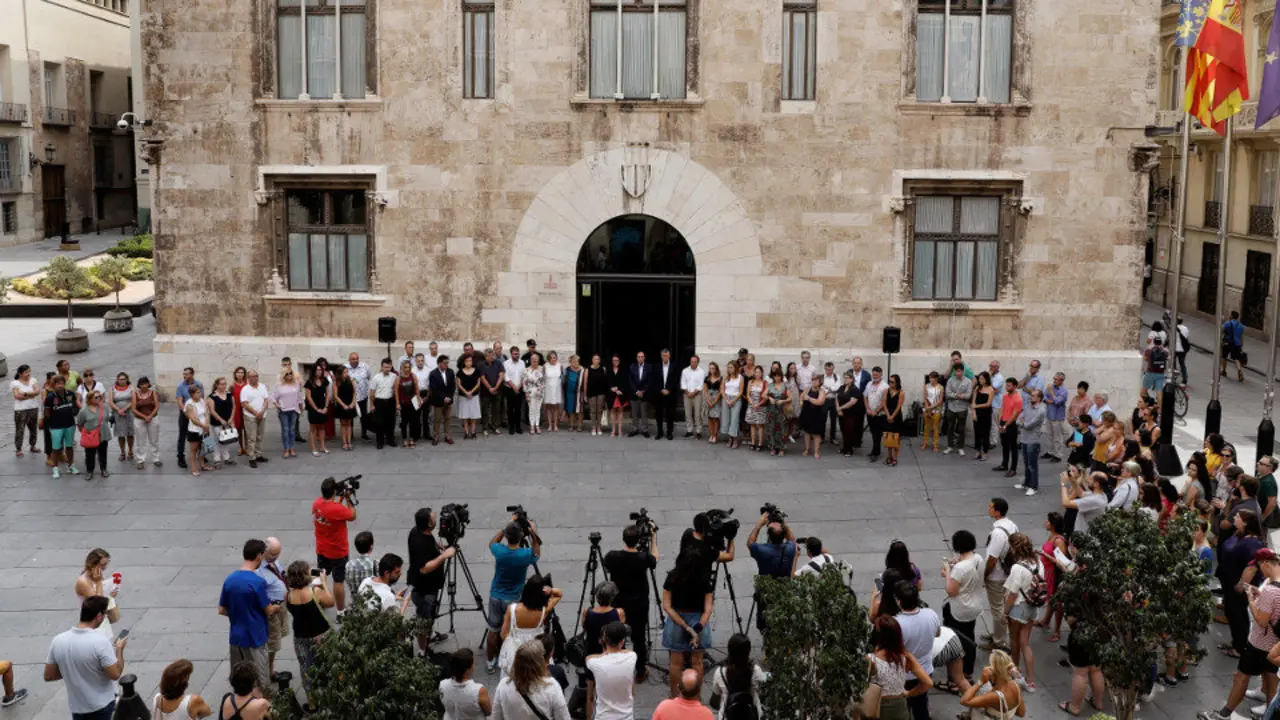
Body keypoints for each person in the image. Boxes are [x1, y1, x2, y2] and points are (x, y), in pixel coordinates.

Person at [1199, 547, 1280, 720]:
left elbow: (1261, 621)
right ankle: (1269, 715)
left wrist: (1251, 598)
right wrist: (1260, 596)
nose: (1260, 571)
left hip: (1259, 643)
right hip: (1275, 643)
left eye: (1259, 567)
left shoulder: (1271, 590)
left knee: (1241, 677)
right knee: (1271, 679)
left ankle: (1224, 714)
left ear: (1266, 563)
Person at [44, 596, 128, 720]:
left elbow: (49, 676)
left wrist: (71, 670)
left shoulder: (58, 640)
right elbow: (115, 674)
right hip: (101, 706)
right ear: (99, 616)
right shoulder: (100, 642)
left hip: (77, 707)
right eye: (105, 614)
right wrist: (119, 649)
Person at [217, 539, 276, 692]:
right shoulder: (257, 582)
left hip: (236, 637)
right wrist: (276, 606)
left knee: (240, 680)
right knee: (260, 680)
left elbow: (222, 610)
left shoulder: (230, 579)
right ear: (259, 556)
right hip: (255, 637)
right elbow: (268, 610)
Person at [486, 516, 542, 673]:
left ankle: (490, 662)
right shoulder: (525, 554)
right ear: (520, 537)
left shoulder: (500, 551)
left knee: (493, 630)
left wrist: (506, 527)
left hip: (496, 595)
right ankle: (509, 658)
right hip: (513, 600)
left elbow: (492, 543)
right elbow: (537, 552)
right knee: (511, 632)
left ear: (508, 537)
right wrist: (533, 532)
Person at [604, 523, 660, 681]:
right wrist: (653, 538)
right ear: (639, 540)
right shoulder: (643, 557)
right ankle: (640, 670)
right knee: (639, 638)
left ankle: (617, 666)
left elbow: (606, 566)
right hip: (639, 604)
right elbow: (654, 558)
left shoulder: (612, 556)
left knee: (616, 634)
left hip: (618, 604)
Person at [661, 549, 713, 699]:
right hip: (698, 619)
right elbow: (708, 608)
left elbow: (667, 606)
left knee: (676, 662)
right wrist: (699, 626)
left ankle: (674, 696)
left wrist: (685, 626)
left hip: (677, 619)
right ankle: (696, 696)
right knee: (697, 661)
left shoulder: (672, 577)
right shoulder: (704, 580)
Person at [284, 560, 334, 706]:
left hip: (300, 636)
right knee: (327, 665)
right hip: (321, 635)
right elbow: (330, 602)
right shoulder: (314, 592)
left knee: (306, 668)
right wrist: (323, 582)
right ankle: (330, 698)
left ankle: (312, 703)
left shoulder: (287, 595)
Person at [1218, 510, 1266, 657]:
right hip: (1229, 581)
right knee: (1231, 613)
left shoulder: (1253, 543)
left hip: (1238, 586)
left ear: (1245, 522)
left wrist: (1241, 585)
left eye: (1237, 517)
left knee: (1238, 615)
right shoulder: (1239, 534)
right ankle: (1235, 642)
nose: (1235, 518)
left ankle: (1240, 647)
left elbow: (1251, 567)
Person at [867, 615, 933, 720]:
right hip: (900, 705)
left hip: (878, 705)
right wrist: (909, 693)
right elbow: (928, 683)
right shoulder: (905, 657)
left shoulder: (871, 659)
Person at [941, 530, 983, 690]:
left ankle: (954, 679)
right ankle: (968, 671)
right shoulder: (978, 559)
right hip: (975, 606)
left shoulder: (960, 568)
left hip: (959, 609)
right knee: (969, 639)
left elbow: (951, 591)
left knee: (955, 643)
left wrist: (947, 573)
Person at [408, 507, 456, 646]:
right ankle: (423, 650)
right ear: (429, 524)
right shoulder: (420, 542)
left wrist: (439, 548)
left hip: (428, 585)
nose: (438, 519)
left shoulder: (417, 531)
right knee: (423, 619)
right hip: (424, 589)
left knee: (428, 615)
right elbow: (424, 568)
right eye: (434, 517)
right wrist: (444, 556)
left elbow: (430, 544)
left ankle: (430, 634)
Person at [894, 582, 941, 720]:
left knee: (904, 708)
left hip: (905, 674)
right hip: (926, 670)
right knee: (921, 706)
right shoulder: (931, 614)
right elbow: (937, 634)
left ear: (900, 601)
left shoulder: (896, 623)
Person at [1002, 532, 1043, 692]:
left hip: (1018, 608)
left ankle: (1015, 673)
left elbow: (1012, 594)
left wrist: (1005, 613)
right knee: (1025, 643)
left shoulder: (1017, 568)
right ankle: (1031, 681)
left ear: (1014, 548)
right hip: (1032, 606)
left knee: (1014, 641)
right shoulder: (1038, 563)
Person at [499, 575, 563, 676]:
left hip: (517, 647)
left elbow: (503, 634)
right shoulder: (544, 610)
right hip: (536, 645)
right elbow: (559, 594)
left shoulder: (512, 609)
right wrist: (550, 590)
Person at [491, 642, 571, 720]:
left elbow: (496, 716)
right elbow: (563, 716)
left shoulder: (504, 685)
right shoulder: (551, 686)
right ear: (540, 663)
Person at [313, 476, 357, 613]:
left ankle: (319, 602)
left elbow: (331, 508)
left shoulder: (317, 504)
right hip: (338, 551)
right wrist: (348, 499)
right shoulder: (337, 509)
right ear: (333, 492)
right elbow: (352, 515)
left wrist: (340, 498)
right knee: (338, 581)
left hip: (321, 548)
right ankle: (341, 611)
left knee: (321, 575)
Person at [747, 510, 796, 632]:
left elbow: (750, 543)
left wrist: (759, 524)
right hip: (784, 590)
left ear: (769, 535)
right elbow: (792, 540)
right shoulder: (790, 549)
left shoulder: (762, 551)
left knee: (765, 622)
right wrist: (782, 523)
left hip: (765, 592)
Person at [981, 498, 1017, 652]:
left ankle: (999, 641)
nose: (988, 508)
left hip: (996, 575)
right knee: (1001, 605)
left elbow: (992, 559)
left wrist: (984, 575)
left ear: (997, 511)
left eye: (990, 507)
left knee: (997, 609)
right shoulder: (1012, 525)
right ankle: (997, 634)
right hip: (1007, 573)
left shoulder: (997, 533)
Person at [585, 621, 636, 720]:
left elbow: (589, 658)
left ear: (603, 640)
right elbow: (628, 651)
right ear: (622, 642)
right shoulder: (632, 657)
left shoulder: (594, 662)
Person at [709, 634, 768, 720]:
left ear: (729, 650)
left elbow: (714, 701)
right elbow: (763, 690)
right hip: (751, 715)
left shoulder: (720, 672)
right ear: (748, 651)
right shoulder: (755, 670)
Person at [256, 537, 289, 680]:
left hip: (281, 606)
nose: (276, 557)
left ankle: (269, 668)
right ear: (264, 551)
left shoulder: (273, 561)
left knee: (278, 638)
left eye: (278, 554)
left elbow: (281, 576)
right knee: (272, 643)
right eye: (273, 554)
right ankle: (267, 671)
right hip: (272, 609)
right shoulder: (258, 570)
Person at [961, 650, 1025, 719]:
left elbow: (964, 701)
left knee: (981, 691)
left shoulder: (994, 696)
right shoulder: (1015, 685)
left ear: (993, 670)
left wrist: (980, 681)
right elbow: (1021, 713)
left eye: (989, 665)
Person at [74, 549, 119, 640]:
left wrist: (111, 593)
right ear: (92, 564)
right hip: (92, 623)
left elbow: (102, 592)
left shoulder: (97, 575)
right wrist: (98, 582)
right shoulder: (83, 582)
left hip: (101, 619)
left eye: (106, 564)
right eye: (102, 565)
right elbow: (98, 603)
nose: (104, 568)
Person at [1036, 513, 1067, 642]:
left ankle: (1057, 631)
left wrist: (1044, 555)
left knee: (1057, 603)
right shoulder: (1052, 537)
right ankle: (1046, 621)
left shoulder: (1058, 540)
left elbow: (1062, 561)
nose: (1045, 522)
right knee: (1051, 598)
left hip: (1055, 574)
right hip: (1048, 573)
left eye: (1048, 521)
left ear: (1053, 524)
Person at [441, 648, 492, 720]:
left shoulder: (442, 685)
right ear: (468, 670)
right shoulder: (479, 691)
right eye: (474, 663)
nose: (475, 665)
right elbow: (488, 712)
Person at [44, 374, 79, 478]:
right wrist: (49, 424)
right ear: (54, 385)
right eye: (57, 383)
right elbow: (47, 412)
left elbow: (74, 407)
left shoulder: (70, 394)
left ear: (64, 384)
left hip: (70, 425)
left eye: (61, 383)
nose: (60, 385)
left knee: (69, 446)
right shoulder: (50, 397)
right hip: (56, 427)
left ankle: (71, 466)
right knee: (56, 448)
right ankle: (55, 468)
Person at [76, 390, 113, 480]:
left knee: (103, 452)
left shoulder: (104, 407)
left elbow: (107, 418)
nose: (99, 398)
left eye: (99, 396)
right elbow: (80, 423)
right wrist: (87, 434)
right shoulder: (84, 410)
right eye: (96, 397)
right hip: (90, 435)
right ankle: (89, 471)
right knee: (89, 454)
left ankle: (103, 469)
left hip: (103, 434)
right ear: (90, 399)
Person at [1015, 389, 1045, 496]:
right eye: (1031, 395)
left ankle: (1033, 487)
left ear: (1039, 398)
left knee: (1032, 465)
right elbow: (1018, 419)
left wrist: (1023, 423)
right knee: (1026, 463)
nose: (1031, 397)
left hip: (1033, 440)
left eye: (1033, 396)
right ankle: (1026, 484)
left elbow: (1029, 425)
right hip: (1024, 438)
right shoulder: (1027, 406)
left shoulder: (1041, 411)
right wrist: (1022, 422)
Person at [173, 368, 204, 470]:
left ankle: (201, 455)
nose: (184, 376)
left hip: (198, 414)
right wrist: (188, 415)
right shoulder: (180, 386)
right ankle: (181, 457)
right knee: (182, 435)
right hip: (185, 414)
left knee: (199, 434)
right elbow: (180, 402)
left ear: (192, 374)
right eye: (184, 374)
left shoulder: (199, 384)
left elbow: (201, 398)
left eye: (186, 374)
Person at [238, 370, 271, 467]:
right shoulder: (245, 389)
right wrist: (256, 413)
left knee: (260, 436)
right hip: (250, 416)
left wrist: (262, 411)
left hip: (262, 415)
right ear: (248, 378)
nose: (255, 378)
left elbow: (266, 400)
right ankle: (252, 458)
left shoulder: (262, 386)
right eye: (252, 376)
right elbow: (244, 403)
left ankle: (259, 454)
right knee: (251, 438)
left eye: (256, 376)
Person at [270, 369, 304, 459]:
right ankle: (286, 449)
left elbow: (299, 397)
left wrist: (301, 407)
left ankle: (292, 448)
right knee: (285, 430)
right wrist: (277, 405)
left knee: (292, 430)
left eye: (290, 373)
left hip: (294, 410)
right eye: (287, 373)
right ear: (283, 375)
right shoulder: (279, 386)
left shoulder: (296, 384)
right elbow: (273, 398)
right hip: (283, 411)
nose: (289, 375)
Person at [994, 378, 1022, 478]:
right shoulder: (1005, 396)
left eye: (1009, 386)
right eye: (1007, 385)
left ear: (1015, 386)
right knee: (1004, 445)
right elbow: (1002, 408)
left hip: (1011, 425)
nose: (1007, 387)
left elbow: (1014, 415)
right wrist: (999, 423)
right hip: (1003, 422)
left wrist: (1005, 425)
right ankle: (1004, 464)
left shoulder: (1018, 399)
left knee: (1013, 447)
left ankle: (1013, 469)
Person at [10, 364, 39, 459]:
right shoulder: (15, 383)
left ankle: (33, 445)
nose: (28, 374)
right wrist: (31, 395)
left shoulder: (33, 380)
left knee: (33, 428)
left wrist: (25, 393)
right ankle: (19, 448)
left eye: (29, 371)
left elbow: (37, 392)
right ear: (20, 373)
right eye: (26, 372)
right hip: (20, 410)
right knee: (20, 429)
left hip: (33, 407)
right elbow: (17, 396)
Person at [131, 376, 161, 468]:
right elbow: (133, 409)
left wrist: (150, 416)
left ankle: (156, 459)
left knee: (154, 440)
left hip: (153, 418)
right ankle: (140, 460)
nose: (144, 386)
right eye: (141, 384)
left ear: (148, 384)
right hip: (139, 420)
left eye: (145, 383)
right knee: (140, 441)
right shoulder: (135, 394)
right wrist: (144, 417)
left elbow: (157, 406)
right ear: (139, 385)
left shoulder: (153, 393)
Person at [943, 364, 973, 456]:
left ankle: (961, 447)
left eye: (960, 371)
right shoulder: (950, 380)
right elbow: (947, 393)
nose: (958, 373)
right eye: (956, 371)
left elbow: (968, 395)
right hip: (951, 408)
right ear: (954, 371)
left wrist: (957, 395)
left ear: (963, 371)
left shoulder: (968, 381)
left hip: (962, 408)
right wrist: (959, 396)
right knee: (950, 427)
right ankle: (950, 446)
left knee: (961, 428)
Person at [207, 377, 236, 469]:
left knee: (225, 440)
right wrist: (221, 420)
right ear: (217, 385)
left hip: (227, 422)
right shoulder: (212, 396)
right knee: (217, 441)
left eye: (225, 384)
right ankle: (217, 459)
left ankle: (226, 457)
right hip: (216, 422)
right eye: (222, 384)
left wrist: (231, 418)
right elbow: (212, 411)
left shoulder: (229, 395)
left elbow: (234, 407)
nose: (224, 386)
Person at [370, 358, 399, 448]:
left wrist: (397, 403)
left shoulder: (394, 376)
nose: (387, 369)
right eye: (385, 367)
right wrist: (371, 404)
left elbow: (396, 391)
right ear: (382, 367)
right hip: (379, 402)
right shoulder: (376, 377)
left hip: (390, 401)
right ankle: (380, 442)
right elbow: (372, 393)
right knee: (379, 423)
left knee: (391, 422)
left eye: (389, 367)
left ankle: (390, 440)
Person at [430, 355, 458, 444]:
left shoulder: (450, 372)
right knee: (437, 419)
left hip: (448, 400)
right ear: (439, 363)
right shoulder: (433, 373)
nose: (446, 365)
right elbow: (434, 388)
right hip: (438, 400)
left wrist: (449, 397)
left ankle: (447, 436)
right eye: (444, 363)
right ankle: (436, 436)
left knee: (448, 418)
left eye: (447, 363)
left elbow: (453, 386)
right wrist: (443, 397)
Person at [835, 369, 864, 457]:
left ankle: (849, 450)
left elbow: (852, 402)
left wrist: (840, 408)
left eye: (847, 378)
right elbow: (836, 397)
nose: (845, 380)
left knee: (849, 431)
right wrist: (838, 409)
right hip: (841, 413)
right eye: (844, 378)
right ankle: (844, 448)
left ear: (852, 379)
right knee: (843, 430)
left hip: (851, 414)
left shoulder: (854, 389)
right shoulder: (841, 387)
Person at [654, 349, 681, 441]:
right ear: (661, 356)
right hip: (659, 393)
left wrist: (669, 390)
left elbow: (676, 380)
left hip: (670, 394)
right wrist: (661, 389)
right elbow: (654, 380)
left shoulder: (674, 365)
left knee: (670, 414)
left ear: (669, 356)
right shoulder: (657, 366)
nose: (664, 357)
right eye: (663, 355)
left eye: (666, 355)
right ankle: (660, 432)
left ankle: (669, 433)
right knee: (659, 414)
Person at [108, 372, 135, 462]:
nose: (122, 381)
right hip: (118, 414)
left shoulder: (131, 388)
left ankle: (130, 451)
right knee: (121, 434)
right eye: (120, 379)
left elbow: (133, 400)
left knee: (130, 433)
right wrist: (119, 410)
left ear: (127, 379)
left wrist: (125, 409)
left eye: (124, 379)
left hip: (129, 413)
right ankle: (122, 452)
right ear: (117, 380)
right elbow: (111, 402)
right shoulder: (112, 389)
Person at [345, 352, 372, 441]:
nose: (356, 360)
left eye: (357, 358)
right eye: (353, 359)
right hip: (351, 397)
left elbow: (368, 377)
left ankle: (364, 434)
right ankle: (350, 435)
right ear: (349, 360)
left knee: (364, 416)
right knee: (350, 417)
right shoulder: (345, 368)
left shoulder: (365, 366)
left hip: (363, 396)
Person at [765, 367, 791, 456]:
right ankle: (772, 447)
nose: (777, 377)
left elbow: (790, 397)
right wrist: (769, 398)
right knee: (771, 428)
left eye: (778, 376)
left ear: (781, 376)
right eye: (775, 376)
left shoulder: (785, 385)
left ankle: (781, 449)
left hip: (781, 409)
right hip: (771, 409)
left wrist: (783, 401)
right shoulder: (770, 385)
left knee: (782, 428)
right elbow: (764, 395)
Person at [864, 367, 889, 462]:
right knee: (873, 433)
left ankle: (875, 453)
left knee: (877, 434)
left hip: (880, 414)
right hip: (870, 413)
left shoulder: (885, 386)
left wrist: (877, 411)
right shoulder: (869, 384)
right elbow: (865, 397)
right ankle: (875, 450)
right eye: (873, 374)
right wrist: (867, 408)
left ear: (881, 374)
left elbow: (884, 401)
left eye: (877, 375)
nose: (875, 376)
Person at [481, 348, 507, 437]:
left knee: (496, 409)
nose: (492, 356)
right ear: (486, 356)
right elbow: (482, 378)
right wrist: (490, 388)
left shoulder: (498, 363)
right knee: (485, 410)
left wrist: (496, 387)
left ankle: (495, 427)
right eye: (490, 355)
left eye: (493, 355)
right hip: (485, 391)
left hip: (497, 391)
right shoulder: (482, 365)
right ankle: (485, 428)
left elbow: (501, 375)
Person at [800, 374, 827, 458]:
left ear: (820, 382)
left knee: (816, 434)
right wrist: (801, 401)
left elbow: (820, 402)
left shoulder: (822, 391)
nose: (813, 382)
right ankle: (807, 449)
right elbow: (801, 396)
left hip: (817, 415)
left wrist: (809, 399)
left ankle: (816, 451)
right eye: (813, 380)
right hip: (807, 413)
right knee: (807, 432)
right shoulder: (808, 389)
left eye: (815, 380)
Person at [457, 353, 483, 440]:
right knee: (465, 415)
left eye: (470, 361)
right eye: (467, 361)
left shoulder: (477, 371)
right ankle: (466, 432)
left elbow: (478, 383)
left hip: (473, 396)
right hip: (463, 397)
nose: (469, 362)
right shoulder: (460, 372)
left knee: (473, 415)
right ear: (464, 362)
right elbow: (459, 384)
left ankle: (473, 432)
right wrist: (466, 392)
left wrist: (471, 392)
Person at [681, 355, 707, 439]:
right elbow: (683, 383)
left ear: (698, 362)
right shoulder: (685, 371)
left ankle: (699, 431)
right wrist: (687, 392)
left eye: (695, 362)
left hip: (697, 395)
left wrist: (694, 393)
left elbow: (701, 385)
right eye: (692, 361)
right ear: (690, 362)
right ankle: (689, 430)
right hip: (686, 394)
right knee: (688, 414)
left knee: (697, 414)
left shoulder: (701, 372)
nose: (693, 363)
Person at [331, 364, 357, 451]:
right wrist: (343, 405)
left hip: (350, 404)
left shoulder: (351, 381)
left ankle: (349, 442)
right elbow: (336, 396)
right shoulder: (336, 383)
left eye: (347, 371)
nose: (347, 373)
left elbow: (354, 393)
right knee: (343, 424)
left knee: (349, 424)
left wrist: (353, 403)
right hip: (341, 405)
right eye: (344, 372)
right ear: (340, 373)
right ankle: (344, 442)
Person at [744, 365, 768, 452]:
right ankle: (753, 442)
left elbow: (766, 397)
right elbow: (747, 394)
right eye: (756, 372)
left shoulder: (765, 383)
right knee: (752, 424)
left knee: (761, 425)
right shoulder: (750, 382)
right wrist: (752, 403)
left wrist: (758, 404)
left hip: (761, 406)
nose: (757, 374)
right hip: (751, 405)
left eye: (759, 372)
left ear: (762, 373)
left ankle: (760, 443)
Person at [397, 360, 421, 447]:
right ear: (402, 367)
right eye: (405, 367)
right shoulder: (398, 378)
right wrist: (397, 404)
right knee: (403, 423)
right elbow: (396, 392)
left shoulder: (413, 376)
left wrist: (418, 401)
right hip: (403, 403)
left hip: (412, 403)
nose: (407, 369)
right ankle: (404, 440)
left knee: (412, 422)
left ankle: (412, 439)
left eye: (408, 367)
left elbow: (417, 389)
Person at [605, 354, 629, 438]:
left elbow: (626, 381)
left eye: (617, 360)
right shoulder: (608, 370)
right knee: (612, 412)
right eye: (614, 360)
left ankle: (620, 430)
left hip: (621, 394)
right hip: (611, 394)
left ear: (619, 361)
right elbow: (606, 382)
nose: (615, 362)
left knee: (620, 412)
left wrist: (619, 389)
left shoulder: (623, 370)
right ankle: (613, 430)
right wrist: (611, 388)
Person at [503, 346, 527, 435]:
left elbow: (524, 375)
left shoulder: (522, 363)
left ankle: (518, 426)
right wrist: (514, 387)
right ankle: (511, 427)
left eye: (518, 354)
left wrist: (519, 386)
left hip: (519, 388)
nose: (516, 355)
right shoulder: (506, 363)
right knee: (510, 409)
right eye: (515, 354)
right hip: (509, 388)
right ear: (511, 354)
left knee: (518, 409)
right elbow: (506, 377)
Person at [883, 374, 905, 466]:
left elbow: (899, 406)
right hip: (888, 415)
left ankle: (895, 457)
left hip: (896, 416)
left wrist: (892, 416)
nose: (890, 383)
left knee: (895, 438)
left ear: (897, 383)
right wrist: (888, 415)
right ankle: (889, 456)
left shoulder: (901, 392)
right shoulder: (886, 391)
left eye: (892, 382)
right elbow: (884, 404)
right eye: (889, 381)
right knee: (888, 437)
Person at [920, 371, 944, 453]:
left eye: (932, 378)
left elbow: (940, 400)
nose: (931, 380)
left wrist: (931, 407)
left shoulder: (941, 387)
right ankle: (925, 443)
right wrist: (927, 407)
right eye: (930, 378)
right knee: (926, 426)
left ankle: (935, 445)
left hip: (936, 409)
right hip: (927, 409)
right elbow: (925, 397)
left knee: (935, 427)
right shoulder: (926, 386)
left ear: (937, 378)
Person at [722, 361, 744, 449]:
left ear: (735, 368)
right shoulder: (726, 377)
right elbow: (722, 390)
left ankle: (735, 439)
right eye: (728, 367)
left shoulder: (740, 377)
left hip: (736, 399)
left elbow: (741, 391)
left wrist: (733, 400)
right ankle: (730, 438)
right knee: (727, 419)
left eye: (731, 367)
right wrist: (727, 400)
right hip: (726, 399)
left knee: (734, 419)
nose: (729, 369)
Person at [585, 354, 608, 436]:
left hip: (601, 392)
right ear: (592, 360)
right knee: (592, 410)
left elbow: (605, 382)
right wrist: (585, 394)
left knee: (599, 410)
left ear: (600, 360)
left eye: (598, 359)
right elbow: (585, 383)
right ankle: (593, 427)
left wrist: (606, 393)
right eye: (595, 359)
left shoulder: (603, 369)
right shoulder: (588, 369)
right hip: (591, 392)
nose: (596, 360)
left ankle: (599, 427)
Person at [523, 354, 546, 435]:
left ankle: (537, 426)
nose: (535, 362)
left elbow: (544, 381)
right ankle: (532, 426)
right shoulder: (526, 370)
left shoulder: (542, 369)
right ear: (531, 360)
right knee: (532, 410)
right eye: (533, 360)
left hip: (539, 393)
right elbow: (525, 383)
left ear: (538, 361)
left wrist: (541, 389)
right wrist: (526, 393)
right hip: (530, 393)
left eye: (536, 360)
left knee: (537, 410)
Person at [542, 350, 563, 433]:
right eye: (551, 357)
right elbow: (543, 378)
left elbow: (562, 377)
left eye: (554, 357)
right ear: (548, 358)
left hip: (557, 389)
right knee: (548, 407)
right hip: (548, 388)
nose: (553, 359)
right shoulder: (545, 366)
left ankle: (555, 425)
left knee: (556, 407)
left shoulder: (560, 365)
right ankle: (550, 425)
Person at [564, 354, 586, 432]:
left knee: (579, 410)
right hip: (569, 393)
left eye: (577, 361)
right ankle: (571, 425)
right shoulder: (567, 370)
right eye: (573, 361)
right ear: (570, 362)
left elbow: (585, 382)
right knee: (571, 410)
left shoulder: (583, 370)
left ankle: (580, 425)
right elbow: (564, 381)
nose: (575, 363)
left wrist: (585, 394)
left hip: (580, 393)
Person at [1223, 309, 1246, 382]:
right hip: (1237, 344)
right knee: (1237, 358)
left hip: (1228, 343)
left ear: (1232, 316)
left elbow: (1222, 330)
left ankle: (1224, 371)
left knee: (1224, 357)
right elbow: (1241, 336)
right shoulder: (1241, 326)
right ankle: (1239, 371)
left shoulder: (1228, 323)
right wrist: (1241, 345)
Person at [703, 361, 724, 444]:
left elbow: (720, 391)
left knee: (716, 417)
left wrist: (715, 401)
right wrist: (708, 400)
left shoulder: (720, 378)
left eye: (713, 368)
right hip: (709, 398)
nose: (711, 370)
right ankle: (711, 434)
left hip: (716, 399)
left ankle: (715, 435)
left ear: (716, 369)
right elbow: (705, 390)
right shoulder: (706, 378)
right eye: (710, 368)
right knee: (710, 417)